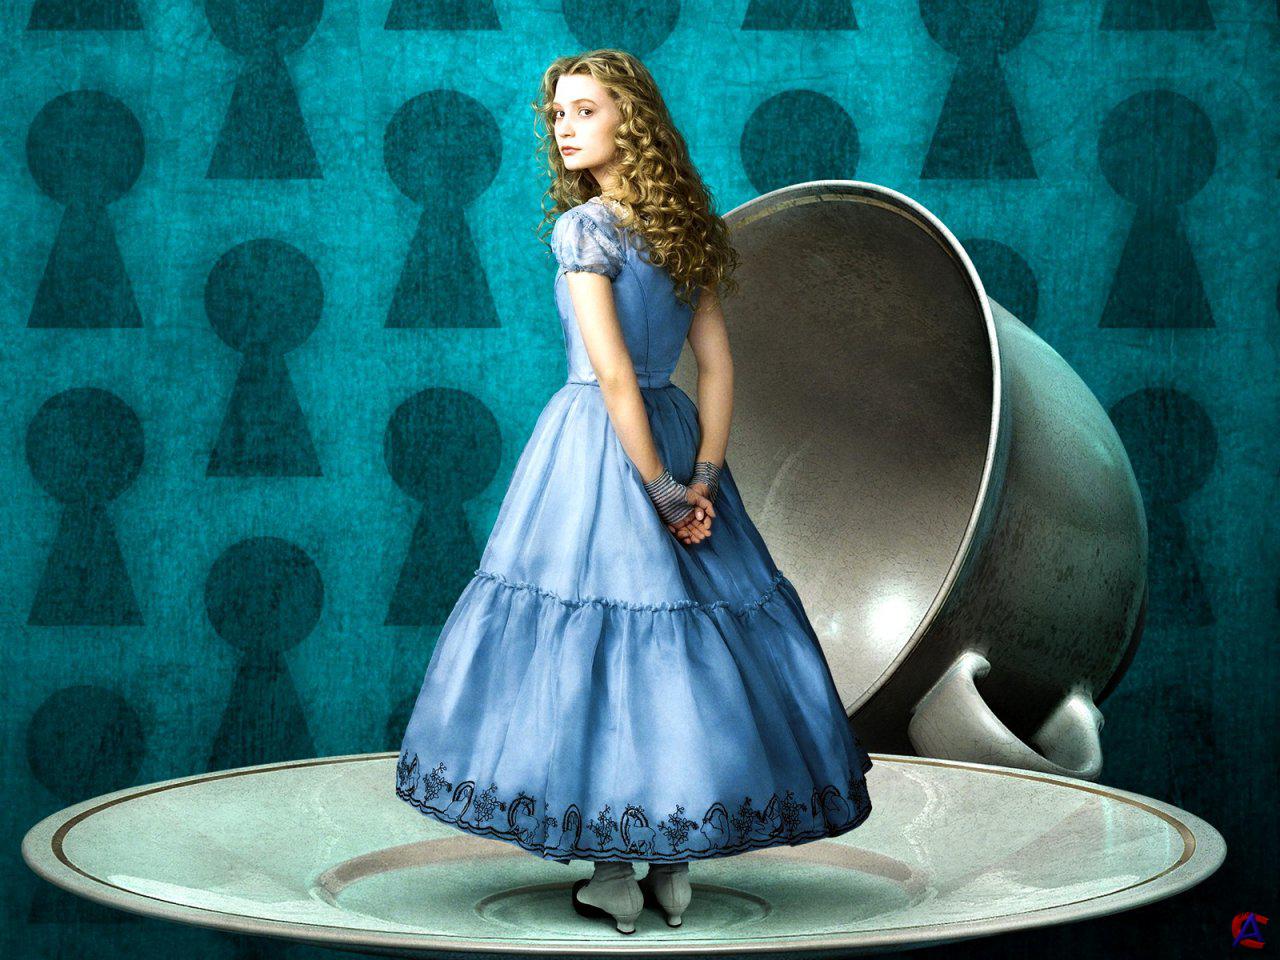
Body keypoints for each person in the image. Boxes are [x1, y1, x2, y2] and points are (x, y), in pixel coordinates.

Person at [395, 48, 874, 935]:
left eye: (585, 110)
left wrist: (659, 488)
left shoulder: (586, 230)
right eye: (558, 115)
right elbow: (717, 368)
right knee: (681, 640)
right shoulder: (685, 225)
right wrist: (703, 478)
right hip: (678, 432)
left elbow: (612, 375)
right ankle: (672, 865)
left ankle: (613, 871)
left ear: (632, 120)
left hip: (598, 449)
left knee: (598, 638)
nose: (565, 128)